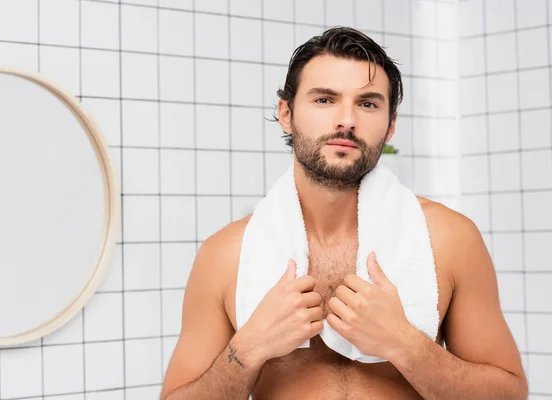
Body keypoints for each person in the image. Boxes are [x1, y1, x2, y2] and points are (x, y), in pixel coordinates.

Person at [160, 27, 528, 400]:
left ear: (391, 124)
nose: (347, 120)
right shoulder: (225, 256)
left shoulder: (450, 240)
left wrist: (404, 344)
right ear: (286, 114)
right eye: (325, 100)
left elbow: (509, 393)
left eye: (368, 103)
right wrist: (251, 348)